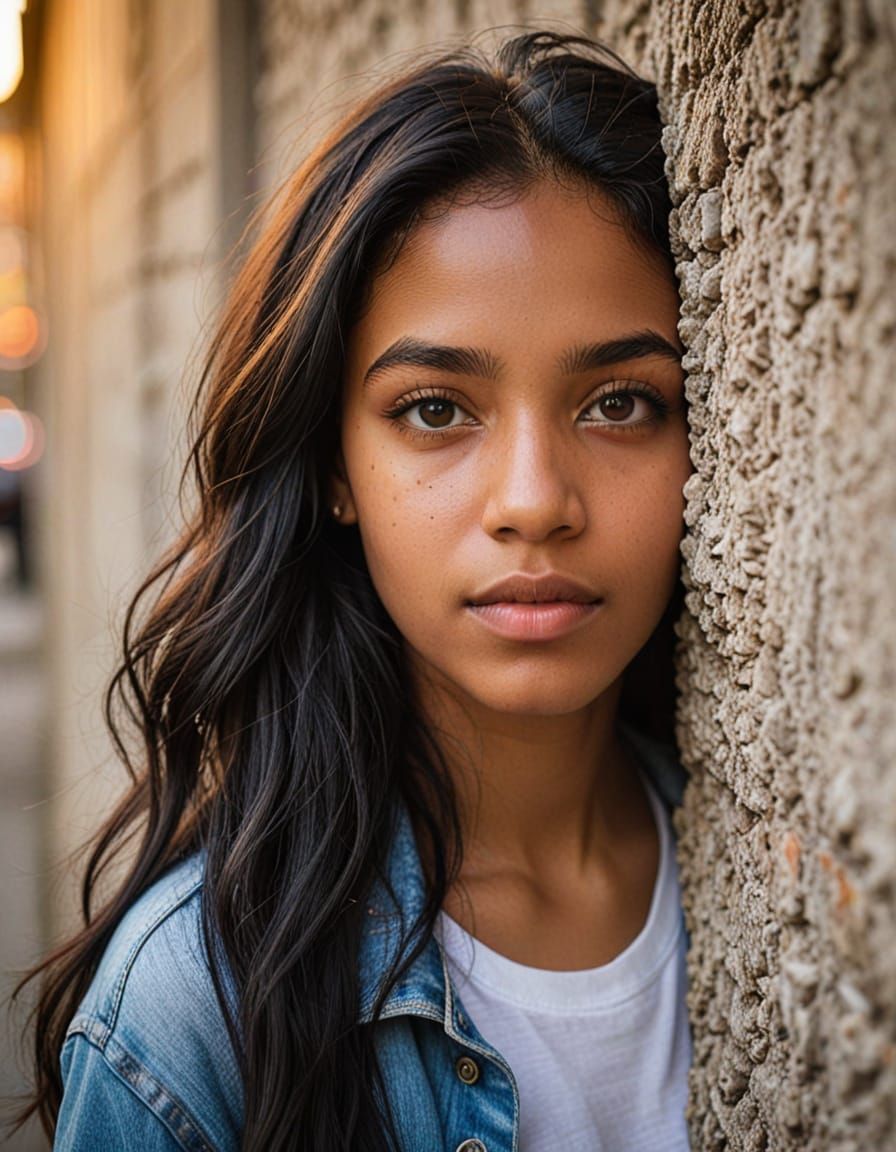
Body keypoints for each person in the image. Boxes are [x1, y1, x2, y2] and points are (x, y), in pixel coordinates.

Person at [16, 28, 694, 1152]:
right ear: (334, 466)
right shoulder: (191, 1016)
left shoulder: (812, 875)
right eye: (435, 409)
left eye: (618, 402)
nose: (533, 501)